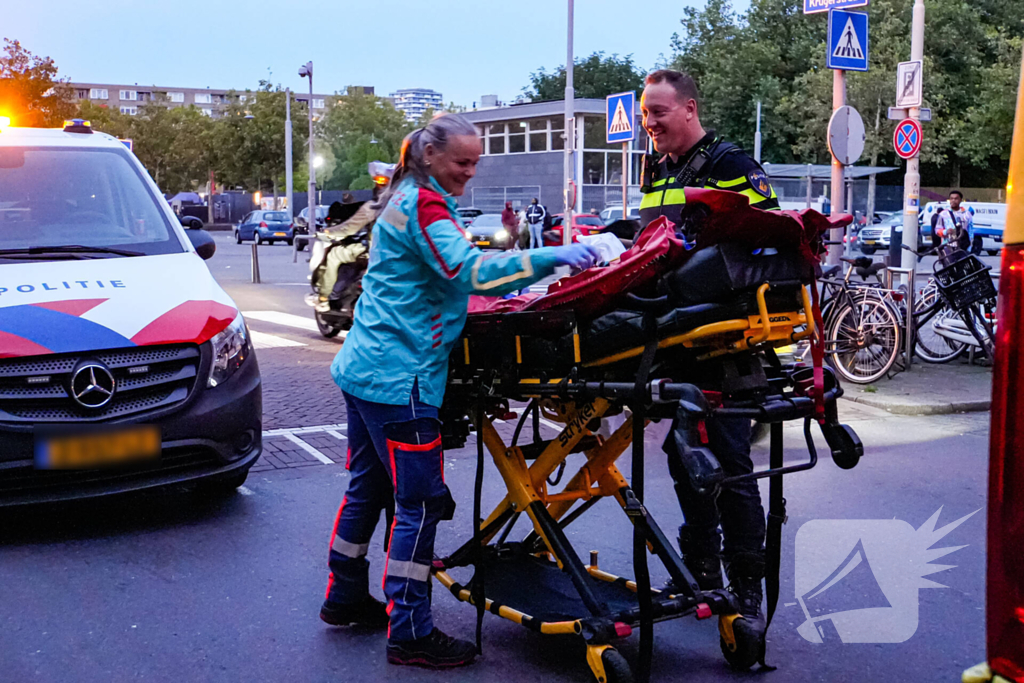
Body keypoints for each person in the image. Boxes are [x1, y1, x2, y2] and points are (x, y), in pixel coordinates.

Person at [319, 113, 601, 670]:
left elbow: (437, 274)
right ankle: (410, 632)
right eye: (461, 162)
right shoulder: (425, 205)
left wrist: (520, 246)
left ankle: (345, 594)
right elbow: (469, 273)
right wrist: (553, 257)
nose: (469, 173)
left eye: (475, 163)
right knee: (420, 503)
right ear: (430, 155)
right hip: (401, 379)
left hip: (365, 369)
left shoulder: (405, 197)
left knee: (367, 489)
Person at [638, 68, 779, 650]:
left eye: (659, 112)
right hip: (676, 338)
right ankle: (701, 571)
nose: (650, 123)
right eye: (645, 114)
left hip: (727, 341)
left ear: (689, 109)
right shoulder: (657, 169)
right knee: (683, 457)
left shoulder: (731, 165)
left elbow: (770, 243)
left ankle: (745, 587)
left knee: (731, 466)